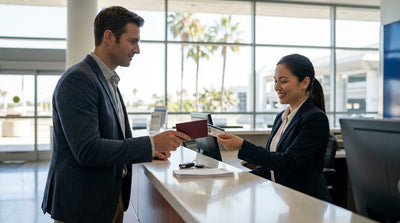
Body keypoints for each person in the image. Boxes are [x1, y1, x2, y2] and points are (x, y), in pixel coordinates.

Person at [41, 6, 191, 223]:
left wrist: (150, 151)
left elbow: (113, 139)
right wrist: (150, 144)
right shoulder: (78, 80)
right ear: (109, 37)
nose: (137, 49)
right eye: (132, 41)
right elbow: (88, 150)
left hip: (108, 200)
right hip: (83, 208)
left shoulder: (107, 79)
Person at [218, 53, 331, 202]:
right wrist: (237, 178)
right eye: (275, 81)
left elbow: (287, 162)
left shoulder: (315, 119)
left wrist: (242, 146)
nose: (277, 87)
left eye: (283, 81)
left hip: (307, 202)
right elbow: (270, 166)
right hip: (285, 199)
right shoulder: (281, 118)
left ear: (304, 83)